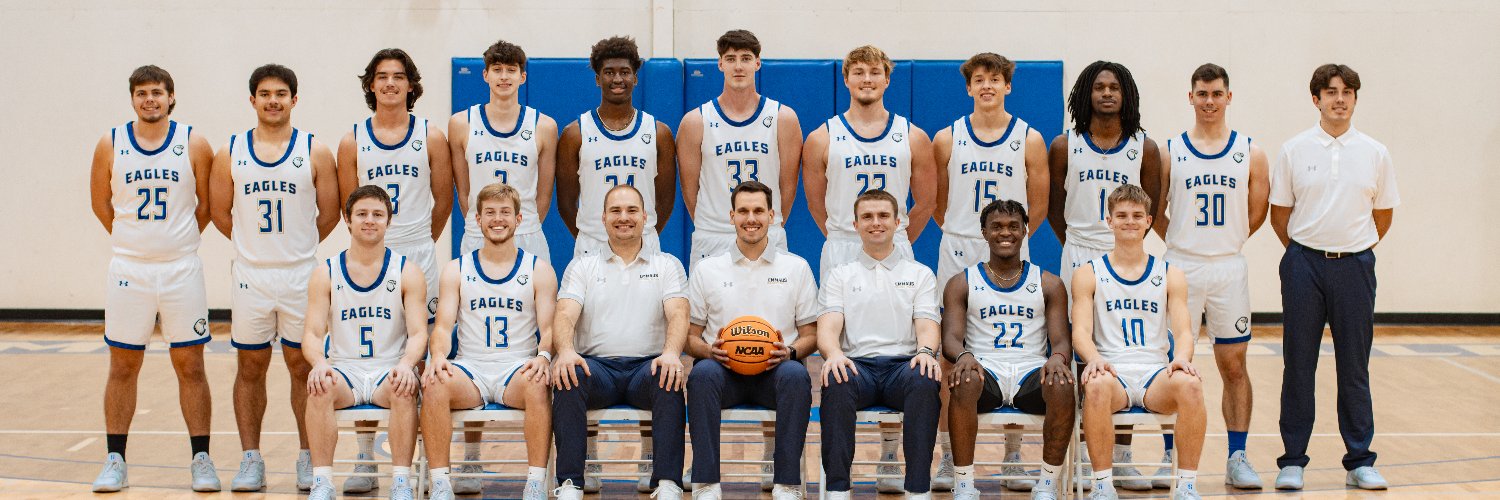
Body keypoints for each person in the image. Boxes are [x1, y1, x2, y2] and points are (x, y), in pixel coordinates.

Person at [88, 65, 220, 493]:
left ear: (171, 97)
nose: (150, 99)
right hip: (130, 270)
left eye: (157, 92)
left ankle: (201, 458)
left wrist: (174, 242)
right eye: (142, 93)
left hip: (181, 268)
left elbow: (206, 204)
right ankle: (115, 460)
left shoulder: (194, 143)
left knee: (191, 365)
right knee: (123, 365)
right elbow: (100, 203)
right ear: (132, 99)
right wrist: (136, 242)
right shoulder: (111, 143)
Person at [208, 63, 340, 492]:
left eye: (281, 93)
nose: (272, 100)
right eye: (264, 94)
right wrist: (255, 248)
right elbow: (219, 213)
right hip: (252, 276)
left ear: (294, 100)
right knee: (250, 366)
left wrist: (296, 248)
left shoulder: (314, 150)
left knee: (304, 366)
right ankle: (251, 459)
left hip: (301, 274)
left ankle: (307, 456)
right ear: (252, 100)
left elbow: (330, 212)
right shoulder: (232, 152)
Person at [1269, 64, 1398, 491]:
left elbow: (1383, 215)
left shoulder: (1376, 152)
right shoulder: (1294, 149)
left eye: (1347, 92)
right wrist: (1308, 252)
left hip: (1355, 266)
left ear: (1356, 99)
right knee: (1298, 365)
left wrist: (1351, 248)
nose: (1339, 99)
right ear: (1316, 99)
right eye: (1330, 92)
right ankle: (1292, 461)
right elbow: (1280, 214)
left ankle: (1360, 459)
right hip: (1303, 263)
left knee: (1354, 367)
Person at [334, 48, 453, 494]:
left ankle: (425, 458)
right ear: (370, 85)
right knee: (361, 351)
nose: (389, 84)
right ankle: (365, 458)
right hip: (367, 254)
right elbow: (352, 204)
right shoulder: (352, 141)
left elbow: (443, 198)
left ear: (411, 85)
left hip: (417, 251)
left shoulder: (431, 135)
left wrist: (417, 243)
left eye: (398, 77)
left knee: (421, 355)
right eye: (381, 77)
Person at [930, 52, 1050, 490]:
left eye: (995, 79)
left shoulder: (1029, 139)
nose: (986, 86)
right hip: (960, 243)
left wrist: (1008, 239)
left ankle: (1014, 453)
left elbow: (1037, 204)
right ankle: (948, 456)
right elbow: (940, 202)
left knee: (1021, 347)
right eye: (978, 79)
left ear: (1007, 86)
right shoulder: (947, 138)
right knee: (951, 356)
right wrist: (966, 232)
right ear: (968, 88)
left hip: (1010, 246)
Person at [1046, 61, 1163, 489]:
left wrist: (1120, 240)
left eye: (1115, 87)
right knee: (1079, 347)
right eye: (1099, 87)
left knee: (1125, 349)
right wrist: (1079, 244)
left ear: (1126, 94)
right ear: (1086, 93)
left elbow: (1151, 205)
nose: (1107, 93)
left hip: (1126, 251)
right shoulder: (1064, 145)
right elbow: (1054, 210)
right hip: (1077, 249)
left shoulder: (1144, 149)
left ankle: (1124, 454)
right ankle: (1081, 445)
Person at [1154, 63, 1270, 489]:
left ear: (1228, 97)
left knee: (1233, 364)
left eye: (1216, 93)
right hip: (1180, 263)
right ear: (1190, 97)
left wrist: (1226, 241)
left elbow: (1255, 213)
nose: (1209, 101)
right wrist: (1183, 244)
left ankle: (1237, 455)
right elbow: (1157, 212)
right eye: (1201, 93)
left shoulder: (1251, 152)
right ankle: (1169, 456)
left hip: (1228, 267)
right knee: (1172, 363)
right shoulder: (1171, 151)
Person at [550, 185, 689, 500]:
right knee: (568, 375)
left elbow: (679, 313)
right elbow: (565, 314)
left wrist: (670, 353)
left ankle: (667, 482)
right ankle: (571, 482)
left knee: (668, 376)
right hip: (598, 369)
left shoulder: (667, 265)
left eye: (631, 210)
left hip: (646, 367)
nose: (623, 217)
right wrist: (567, 351)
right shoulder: (583, 266)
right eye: (615, 211)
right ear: (602, 218)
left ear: (645, 217)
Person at [421, 183, 558, 500]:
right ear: (478, 220)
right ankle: (441, 482)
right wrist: (439, 356)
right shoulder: (456, 270)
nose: (498, 220)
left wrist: (545, 355)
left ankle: (535, 482)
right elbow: (442, 327)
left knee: (539, 383)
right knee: (434, 384)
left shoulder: (538, 270)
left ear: (519, 219)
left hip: (517, 368)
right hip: (471, 369)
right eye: (491, 213)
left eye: (505, 213)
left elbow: (549, 328)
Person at [683, 181, 819, 500]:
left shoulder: (796, 268)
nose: (751, 218)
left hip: (776, 371)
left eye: (759, 211)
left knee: (798, 376)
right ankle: (706, 481)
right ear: (731, 216)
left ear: (772, 215)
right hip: (724, 370)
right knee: (701, 375)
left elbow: (812, 334)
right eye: (743, 211)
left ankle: (786, 482)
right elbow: (689, 337)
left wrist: (791, 351)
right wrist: (709, 351)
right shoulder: (707, 270)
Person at [1073, 184, 1206, 500]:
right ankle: (1103, 486)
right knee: (1094, 385)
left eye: (1136, 215)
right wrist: (1093, 358)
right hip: (1112, 372)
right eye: (1121, 215)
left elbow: (1185, 331)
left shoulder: (1170, 273)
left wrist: (1183, 358)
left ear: (1148, 221)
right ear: (1109, 220)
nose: (1128, 222)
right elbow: (1080, 331)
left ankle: (1186, 486)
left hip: (1154, 374)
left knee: (1191, 385)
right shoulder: (1088, 273)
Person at [301, 186, 428, 500]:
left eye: (377, 214)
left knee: (404, 386)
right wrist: (319, 364)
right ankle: (322, 482)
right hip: (346, 372)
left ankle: (400, 482)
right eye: (361, 214)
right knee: (319, 387)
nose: (369, 221)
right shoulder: (325, 273)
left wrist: (406, 365)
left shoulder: (407, 271)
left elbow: (418, 334)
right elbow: (312, 334)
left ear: (389, 220)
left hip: (388, 370)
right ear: (347, 219)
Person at [942, 200, 1074, 500]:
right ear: (984, 233)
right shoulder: (962, 282)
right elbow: (950, 337)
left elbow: (1062, 340)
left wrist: (1057, 358)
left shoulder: (1048, 283)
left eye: (1014, 226)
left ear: (1025, 231)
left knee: (1063, 384)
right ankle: (964, 484)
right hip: (985, 369)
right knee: (962, 379)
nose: (1006, 233)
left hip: (1030, 371)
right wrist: (964, 356)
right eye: (997, 227)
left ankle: (1047, 484)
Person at [817, 189, 943, 500]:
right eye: (868, 217)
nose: (876, 223)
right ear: (855, 224)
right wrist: (832, 354)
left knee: (926, 378)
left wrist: (927, 352)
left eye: (884, 216)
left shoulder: (920, 274)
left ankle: (917, 490)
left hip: (903, 366)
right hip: (857, 366)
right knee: (835, 378)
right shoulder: (840, 275)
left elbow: (928, 327)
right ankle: (837, 490)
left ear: (899, 223)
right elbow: (828, 328)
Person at [803, 44, 937, 283]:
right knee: (838, 320)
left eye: (875, 72)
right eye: (858, 72)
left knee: (899, 320)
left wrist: (891, 236)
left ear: (887, 79)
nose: (867, 79)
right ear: (845, 79)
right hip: (842, 246)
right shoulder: (821, 138)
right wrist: (845, 235)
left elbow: (926, 203)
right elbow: (815, 204)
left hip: (894, 244)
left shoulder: (913, 136)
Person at [677, 29, 802, 269]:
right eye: (731, 59)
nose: (738, 66)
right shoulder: (696, 121)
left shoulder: (782, 118)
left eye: (745, 58)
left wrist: (765, 222)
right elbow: (689, 188)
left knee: (771, 307)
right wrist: (715, 222)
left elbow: (788, 185)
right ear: (720, 64)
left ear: (757, 64)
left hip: (766, 232)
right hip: (713, 234)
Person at [557, 35, 677, 258]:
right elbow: (565, 202)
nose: (617, 79)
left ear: (636, 78)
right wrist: (592, 235)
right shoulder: (575, 134)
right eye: (609, 72)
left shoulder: (659, 133)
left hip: (644, 243)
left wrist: (638, 235)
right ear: (597, 79)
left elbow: (666, 200)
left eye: (624, 72)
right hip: (592, 244)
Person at [453, 39, 557, 260]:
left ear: (522, 77)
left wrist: (523, 223)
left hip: (526, 232)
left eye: (511, 70)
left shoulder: (544, 126)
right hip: (478, 233)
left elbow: (545, 194)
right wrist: (483, 222)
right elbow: (463, 192)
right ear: (485, 75)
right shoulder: (461, 123)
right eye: (497, 69)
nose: (504, 76)